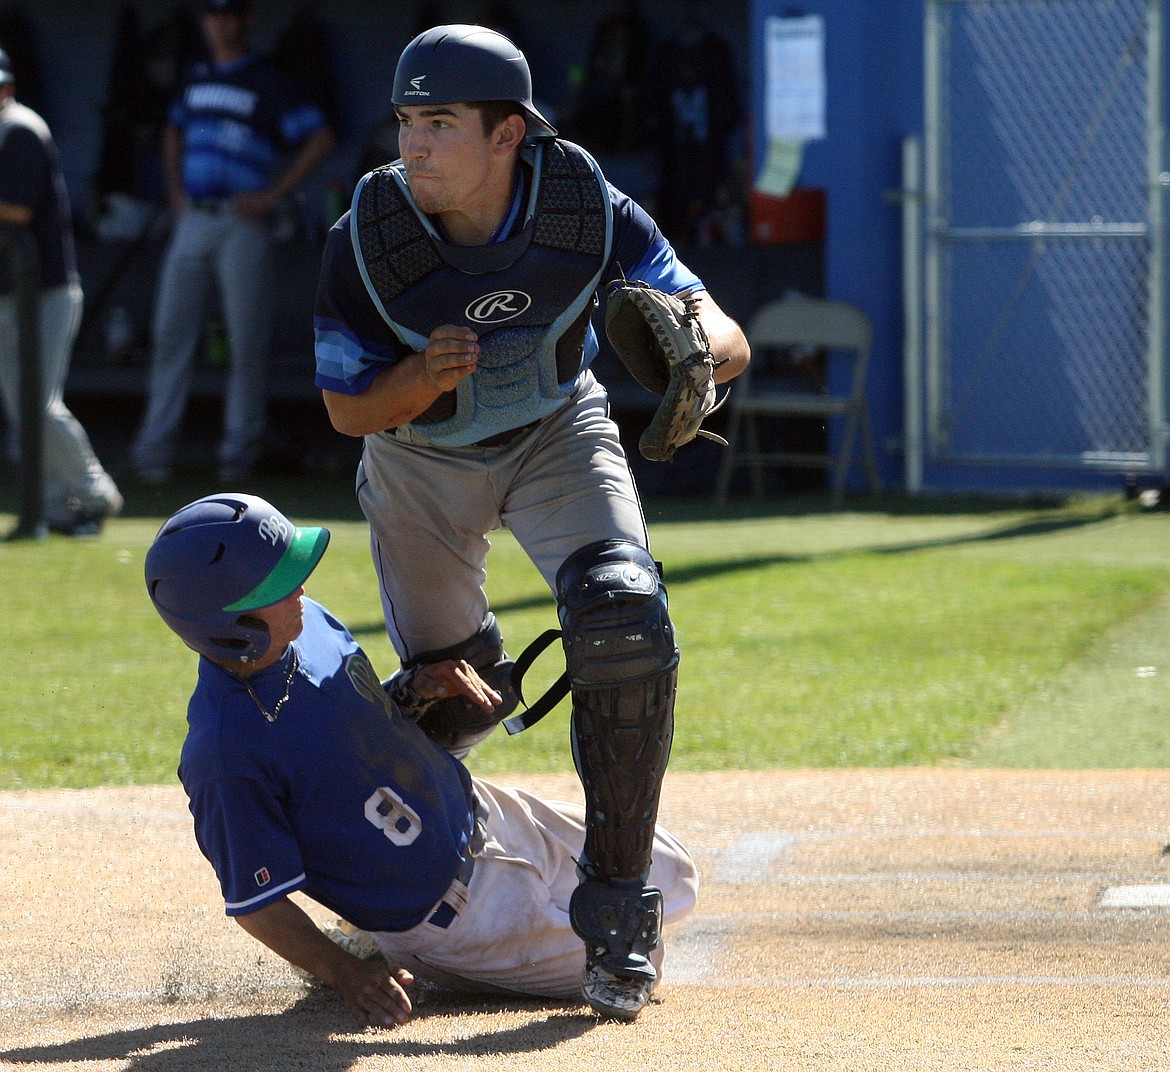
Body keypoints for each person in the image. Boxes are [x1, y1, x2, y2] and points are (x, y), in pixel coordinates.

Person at [312, 25, 749, 1020]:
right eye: (406, 120)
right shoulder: (367, 238)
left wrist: (706, 353)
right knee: (448, 696)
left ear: (509, 133)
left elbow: (718, 325)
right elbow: (346, 411)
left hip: (557, 428)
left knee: (625, 619)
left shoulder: (580, 205)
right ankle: (383, 897)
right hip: (420, 455)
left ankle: (618, 906)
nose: (412, 144)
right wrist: (420, 375)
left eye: (439, 123)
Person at [144, 492, 698, 1027]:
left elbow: (348, 719)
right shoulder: (225, 754)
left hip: (488, 812)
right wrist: (345, 973)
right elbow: (255, 902)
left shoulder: (308, 624)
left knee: (677, 878)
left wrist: (415, 690)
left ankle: (384, 934)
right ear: (227, 626)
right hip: (454, 920)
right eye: (279, 584)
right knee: (635, 961)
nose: (301, 589)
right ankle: (393, 947)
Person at [130, 0, 334, 484]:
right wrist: (176, 190)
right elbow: (172, 129)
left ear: (246, 20)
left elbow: (320, 136)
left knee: (246, 343)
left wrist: (275, 194)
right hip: (194, 218)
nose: (219, 23)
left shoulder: (268, 78)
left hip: (242, 220)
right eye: (211, 15)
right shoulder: (196, 74)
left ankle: (237, 456)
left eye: (228, 14)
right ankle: (151, 456)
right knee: (169, 337)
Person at [0, 46, 123, 537]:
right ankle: (57, 504)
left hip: (46, 292)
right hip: (12, 294)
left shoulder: (21, 128)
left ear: (7, 89)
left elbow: (14, 212)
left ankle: (94, 491)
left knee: (38, 404)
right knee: (20, 406)